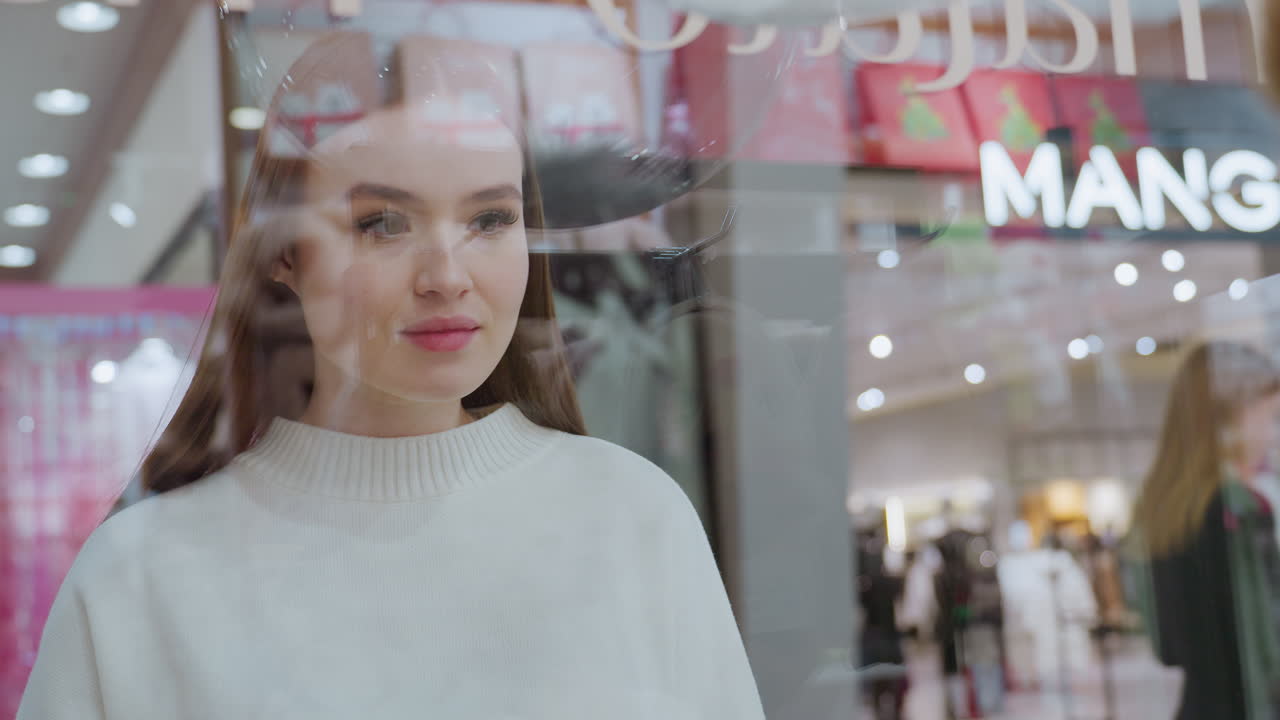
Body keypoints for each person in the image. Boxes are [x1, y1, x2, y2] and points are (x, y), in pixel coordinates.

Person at [16, 32, 763, 720]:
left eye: (490, 220)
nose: (447, 276)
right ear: (283, 254)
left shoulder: (634, 519)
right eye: (383, 223)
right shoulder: (138, 581)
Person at [1129, 341, 1280, 720]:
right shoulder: (1239, 508)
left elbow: (1169, 648)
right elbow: (1266, 645)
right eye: (1271, 417)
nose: (1272, 433)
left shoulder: (1161, 509)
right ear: (1232, 418)